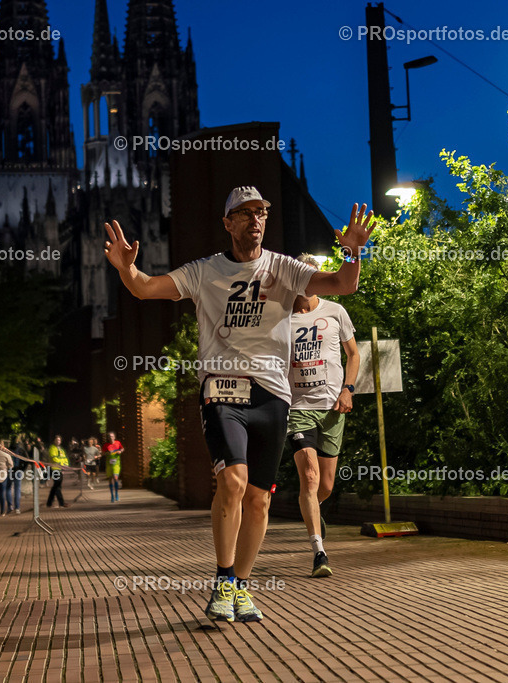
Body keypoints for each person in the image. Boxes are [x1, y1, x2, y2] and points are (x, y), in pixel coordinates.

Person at [103, 186, 373, 623]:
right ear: (228, 223)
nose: (255, 220)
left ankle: (242, 588)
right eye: (244, 214)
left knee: (259, 500)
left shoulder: (283, 268)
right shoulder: (204, 272)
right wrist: (128, 269)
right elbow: (146, 289)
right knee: (232, 480)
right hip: (222, 389)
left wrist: (353, 252)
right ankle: (224, 578)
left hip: (274, 395)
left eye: (261, 212)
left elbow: (343, 284)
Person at [287, 256, 360, 578]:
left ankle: (314, 510)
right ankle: (318, 551)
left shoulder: (335, 312)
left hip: (332, 409)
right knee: (311, 478)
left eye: (312, 276)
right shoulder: (279, 317)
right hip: (297, 409)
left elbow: (354, 354)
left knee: (326, 486)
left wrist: (349, 390)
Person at [46, 435, 69, 508]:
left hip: (60, 469)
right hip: (54, 469)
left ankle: (49, 502)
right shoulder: (52, 448)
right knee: (57, 486)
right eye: (56, 440)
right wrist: (62, 465)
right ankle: (61, 503)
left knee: (56, 486)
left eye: (59, 440)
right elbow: (54, 458)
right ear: (54, 441)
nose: (58, 441)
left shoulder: (61, 450)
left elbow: (65, 458)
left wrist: (65, 465)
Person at [7, 438, 27, 514]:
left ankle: (9, 506)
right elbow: (26, 460)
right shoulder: (21, 450)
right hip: (18, 471)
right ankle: (17, 508)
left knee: (8, 488)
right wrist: (22, 469)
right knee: (17, 489)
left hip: (10, 471)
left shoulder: (7, 450)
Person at [104, 432, 124, 503]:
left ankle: (117, 494)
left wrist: (120, 451)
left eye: (112, 436)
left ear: (114, 437)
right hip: (109, 464)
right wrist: (107, 453)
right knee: (110, 479)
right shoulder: (106, 445)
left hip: (116, 464)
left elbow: (122, 449)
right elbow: (103, 453)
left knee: (116, 478)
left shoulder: (118, 443)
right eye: (109, 436)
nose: (111, 438)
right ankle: (112, 495)